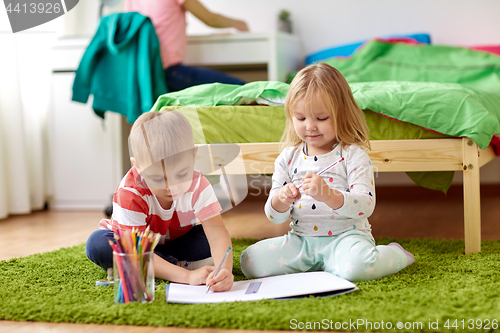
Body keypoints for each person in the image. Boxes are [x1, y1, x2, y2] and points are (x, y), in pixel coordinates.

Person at [239, 63, 415, 282]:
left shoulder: (353, 155)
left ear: (342, 114)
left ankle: (396, 254)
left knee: (358, 269)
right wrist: (281, 199)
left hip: (345, 239)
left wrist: (329, 196)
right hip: (301, 242)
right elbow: (273, 216)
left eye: (321, 118)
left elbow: (366, 206)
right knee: (249, 261)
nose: (310, 126)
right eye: (301, 118)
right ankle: (321, 264)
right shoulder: (287, 158)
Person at [86, 110, 234, 292]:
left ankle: (152, 267)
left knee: (208, 239)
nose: (171, 187)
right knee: (98, 245)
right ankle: (174, 267)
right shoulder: (130, 192)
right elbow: (136, 250)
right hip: (134, 245)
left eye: (181, 175)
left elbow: (217, 232)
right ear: (138, 167)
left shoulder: (198, 184)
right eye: (157, 179)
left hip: (172, 243)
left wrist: (224, 270)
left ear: (193, 155)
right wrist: (187, 277)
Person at [125, 0, 249, 92]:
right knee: (245, 91)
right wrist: (240, 24)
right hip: (169, 72)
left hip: (144, 75)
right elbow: (211, 19)